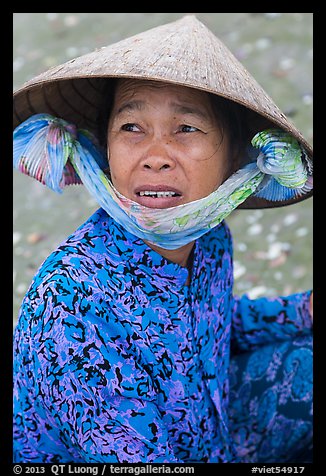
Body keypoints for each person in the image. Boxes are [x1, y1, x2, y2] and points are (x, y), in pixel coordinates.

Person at [13, 15, 313, 464]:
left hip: (212, 425)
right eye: (131, 128)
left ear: (236, 158)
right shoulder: (69, 305)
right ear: (105, 149)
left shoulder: (211, 239)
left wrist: (303, 310)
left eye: (186, 128)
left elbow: (212, 324)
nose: (155, 157)